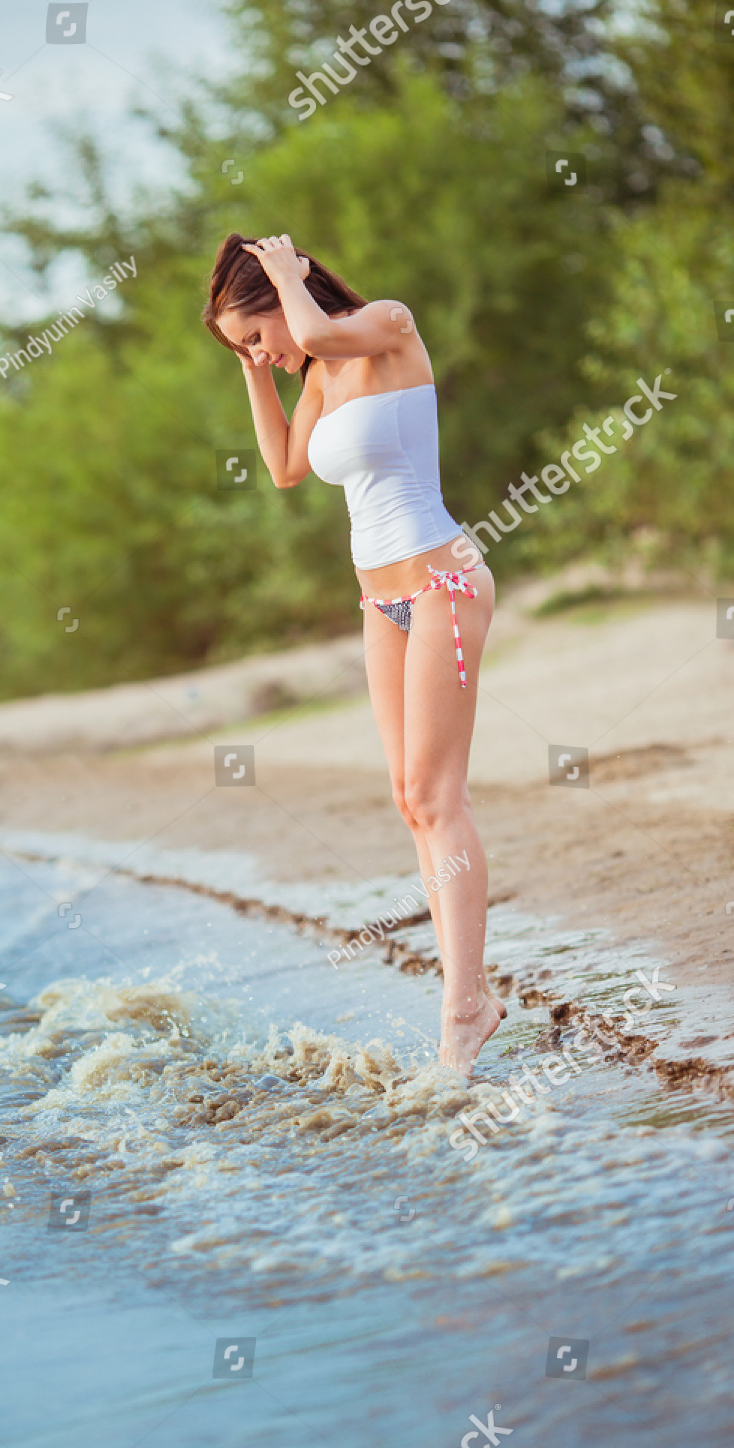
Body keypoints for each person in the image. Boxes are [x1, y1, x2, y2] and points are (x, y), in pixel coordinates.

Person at [203, 231, 504, 1074]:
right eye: (244, 346)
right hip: (382, 602)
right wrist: (255, 372)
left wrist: (283, 274)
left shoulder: (385, 327)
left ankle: (463, 1009)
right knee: (411, 801)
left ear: (281, 294)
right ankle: (466, 998)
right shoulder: (316, 381)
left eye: (254, 334)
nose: (259, 350)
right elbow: (285, 469)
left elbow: (324, 332)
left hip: (443, 585)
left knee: (435, 795)